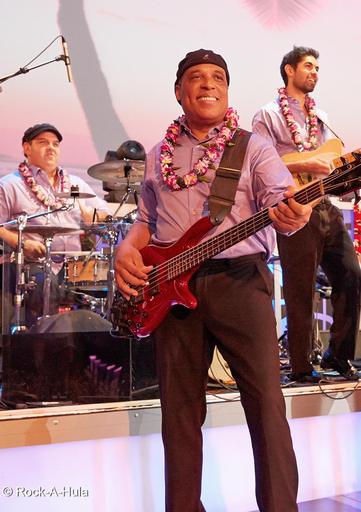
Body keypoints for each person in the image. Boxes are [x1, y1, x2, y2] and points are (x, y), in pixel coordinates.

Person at [114, 49, 311, 511]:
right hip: (170, 290)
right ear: (180, 91)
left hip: (239, 281)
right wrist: (127, 245)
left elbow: (285, 205)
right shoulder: (159, 154)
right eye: (197, 78)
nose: (208, 84)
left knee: (266, 407)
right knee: (179, 416)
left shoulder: (254, 146)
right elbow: (147, 219)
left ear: (227, 91)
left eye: (218, 77)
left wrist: (293, 214)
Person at [252, 45, 361, 383]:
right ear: (289, 70)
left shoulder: (320, 118)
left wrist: (350, 173)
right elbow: (259, 161)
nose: (314, 72)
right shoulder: (268, 115)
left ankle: (338, 355)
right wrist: (304, 162)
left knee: (351, 275)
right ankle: (301, 367)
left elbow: (327, 161)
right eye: (308, 66)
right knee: (301, 289)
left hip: (325, 203)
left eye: (317, 68)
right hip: (294, 206)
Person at [0, 123, 110, 324]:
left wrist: (94, 217)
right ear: (27, 148)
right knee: (45, 285)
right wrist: (20, 242)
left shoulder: (75, 185)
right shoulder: (9, 185)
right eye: (43, 142)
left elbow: (106, 215)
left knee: (108, 284)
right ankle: (43, 344)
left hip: (70, 267)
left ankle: (94, 342)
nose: (51, 148)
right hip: (23, 264)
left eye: (55, 144)